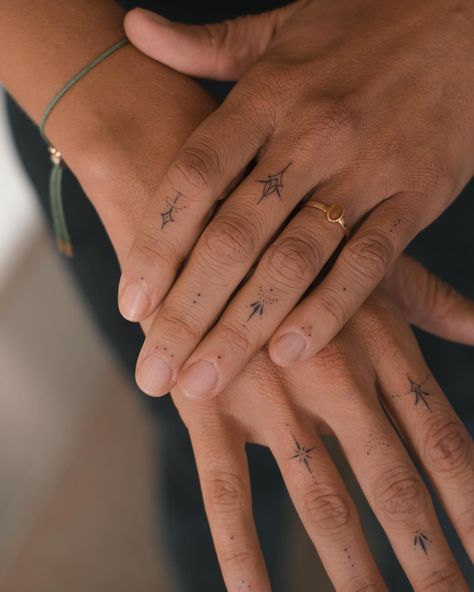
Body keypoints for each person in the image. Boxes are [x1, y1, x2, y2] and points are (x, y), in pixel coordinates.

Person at [1, 1, 473, 590]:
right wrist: (116, 118)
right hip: (84, 75)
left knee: (439, 426)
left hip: (432, 96)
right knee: (210, 439)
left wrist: (455, 25)